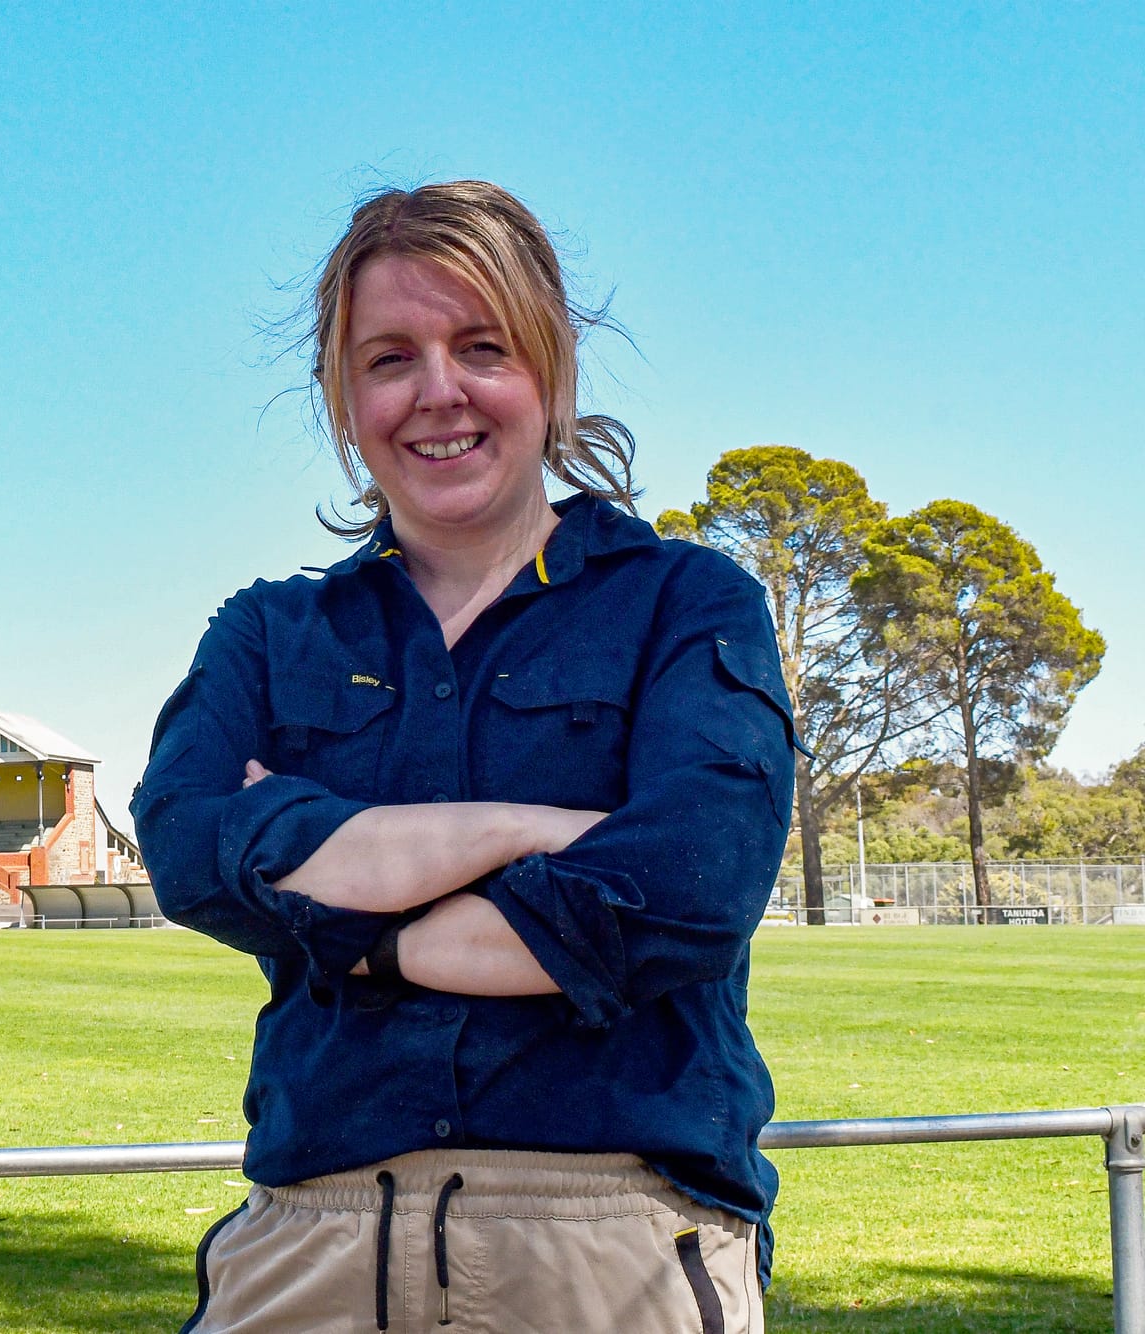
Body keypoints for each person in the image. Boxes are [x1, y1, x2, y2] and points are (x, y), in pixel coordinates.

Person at [131, 181, 796, 1333]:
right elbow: (189, 849)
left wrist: (341, 903)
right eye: (389, 357)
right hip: (311, 1239)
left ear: (548, 370)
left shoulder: (687, 603)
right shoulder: (266, 632)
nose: (437, 392)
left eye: (480, 346)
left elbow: (691, 884)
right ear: (344, 398)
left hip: (613, 1245)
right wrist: (528, 830)